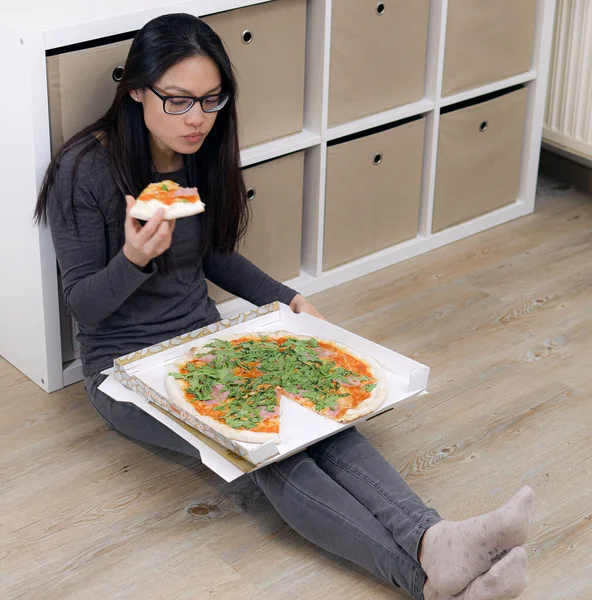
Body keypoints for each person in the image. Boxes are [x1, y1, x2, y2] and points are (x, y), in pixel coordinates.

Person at [35, 14, 534, 600]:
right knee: (270, 450)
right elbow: (85, 309)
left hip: (204, 341)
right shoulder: (84, 169)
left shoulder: (198, 149)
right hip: (123, 369)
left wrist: (291, 300)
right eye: (177, 101)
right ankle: (424, 576)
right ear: (137, 90)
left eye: (210, 99)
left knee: (321, 421)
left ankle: (436, 539)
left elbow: (215, 255)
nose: (196, 118)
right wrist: (134, 259)